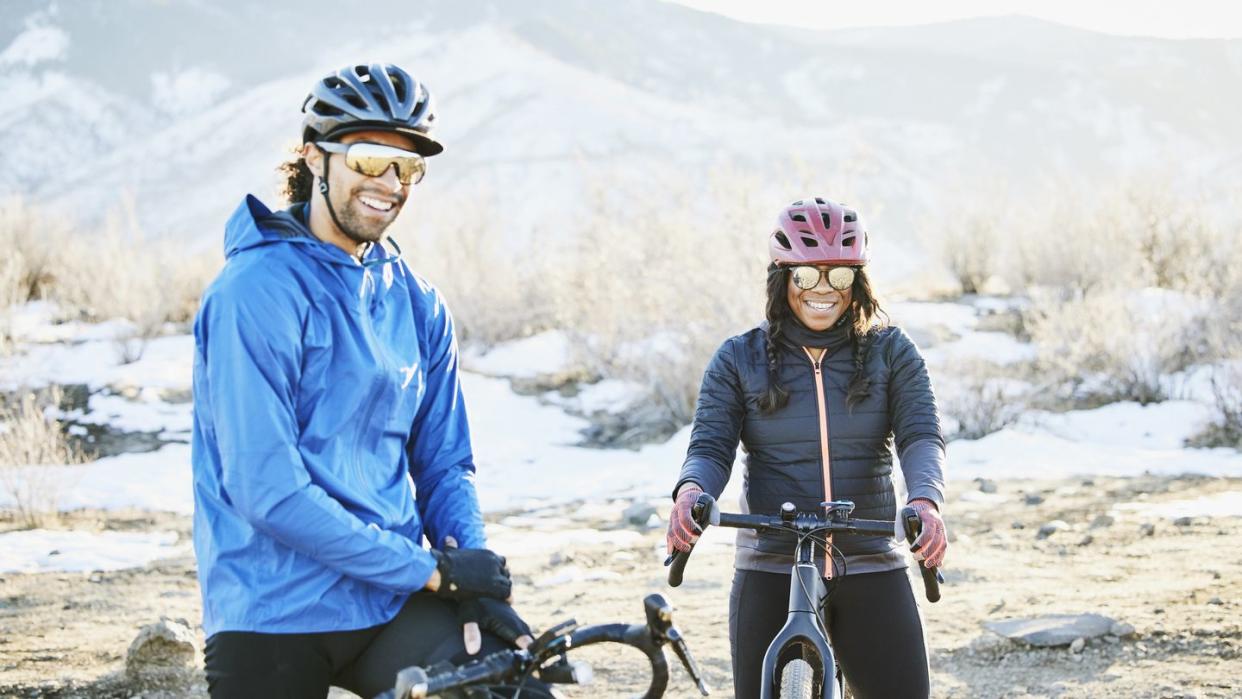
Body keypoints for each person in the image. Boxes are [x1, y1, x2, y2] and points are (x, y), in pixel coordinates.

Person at [191, 63, 534, 698]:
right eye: (371, 159)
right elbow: (267, 491)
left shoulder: (418, 302)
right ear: (316, 158)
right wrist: (434, 573)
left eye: (410, 167)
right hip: (274, 606)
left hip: (388, 602)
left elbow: (444, 467)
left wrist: (473, 577)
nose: (391, 183)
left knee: (519, 687)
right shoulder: (255, 292)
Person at [666, 197, 948, 698]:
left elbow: (921, 436)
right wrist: (691, 493)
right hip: (771, 563)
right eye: (807, 276)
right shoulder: (739, 358)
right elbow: (710, 447)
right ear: (783, 277)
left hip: (868, 559)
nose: (824, 290)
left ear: (857, 282)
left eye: (839, 276)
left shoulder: (891, 351)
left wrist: (925, 500)